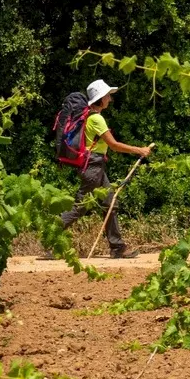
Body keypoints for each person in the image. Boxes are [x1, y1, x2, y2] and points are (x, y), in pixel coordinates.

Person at [59, 79, 151, 258]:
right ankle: (51, 239)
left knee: (110, 204)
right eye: (107, 95)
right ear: (100, 99)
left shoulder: (90, 117)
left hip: (95, 166)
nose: (110, 98)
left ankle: (117, 248)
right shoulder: (96, 119)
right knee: (80, 206)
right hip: (92, 166)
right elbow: (114, 145)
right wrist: (139, 150)